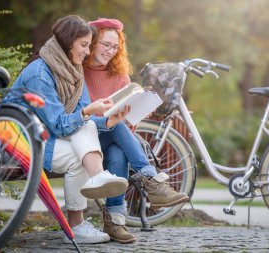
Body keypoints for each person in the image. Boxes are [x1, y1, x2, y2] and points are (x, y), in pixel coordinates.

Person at [7, 15, 130, 244]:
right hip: (20, 140)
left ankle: (94, 186)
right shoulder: (39, 74)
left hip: (46, 137)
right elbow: (60, 124)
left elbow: (81, 118)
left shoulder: (74, 72)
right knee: (80, 146)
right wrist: (86, 114)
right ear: (67, 42)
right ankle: (83, 212)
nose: (87, 51)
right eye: (84, 45)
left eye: (88, 45)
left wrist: (110, 122)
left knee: (84, 131)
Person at [84, 18, 190, 244]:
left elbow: (127, 125)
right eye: (105, 44)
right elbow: (80, 114)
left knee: (118, 152)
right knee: (114, 123)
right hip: (85, 141)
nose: (110, 51)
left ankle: (115, 222)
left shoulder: (119, 74)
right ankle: (152, 181)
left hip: (111, 138)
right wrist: (111, 119)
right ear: (93, 41)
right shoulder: (78, 69)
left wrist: (137, 113)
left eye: (115, 47)